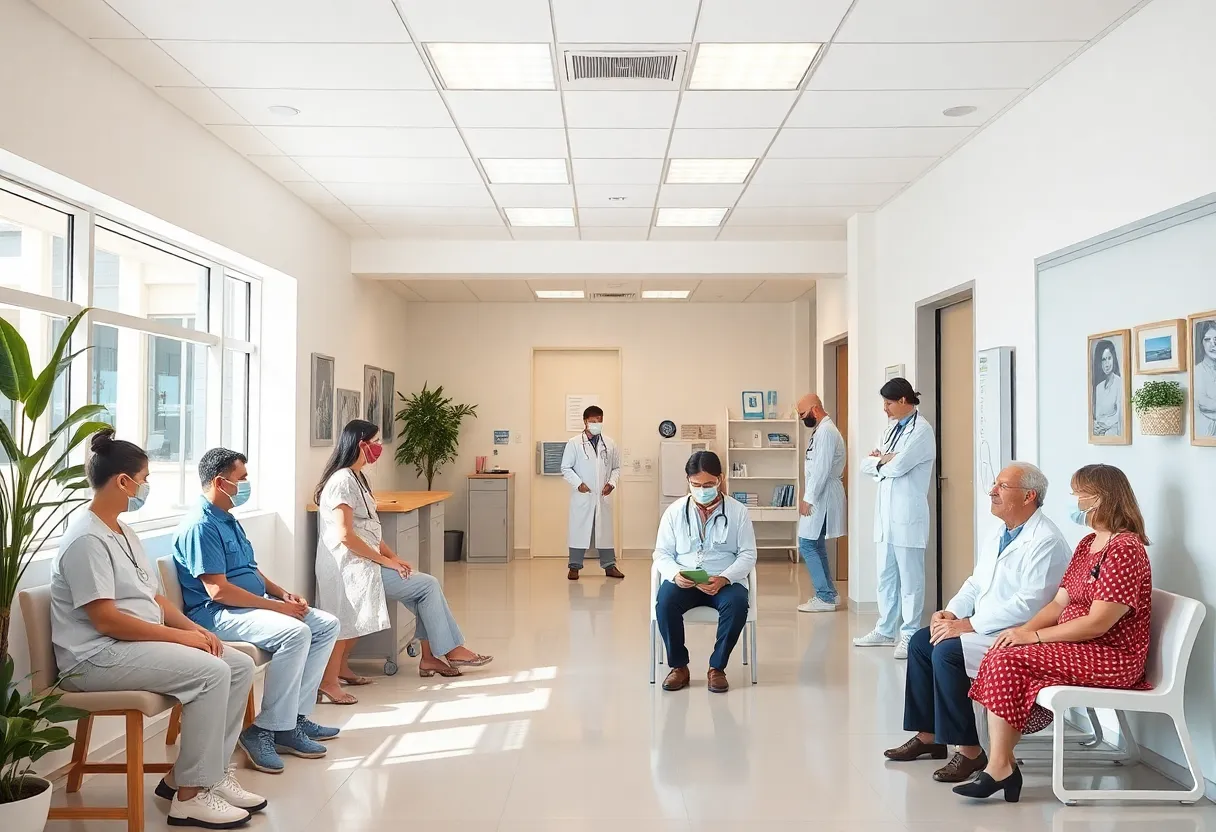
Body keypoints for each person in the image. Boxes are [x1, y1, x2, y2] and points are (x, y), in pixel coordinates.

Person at [50, 430, 264, 829]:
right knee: (212, 670)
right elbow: (107, 620)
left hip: (130, 645)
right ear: (123, 481)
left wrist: (197, 632)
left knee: (234, 663)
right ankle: (190, 796)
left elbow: (156, 599)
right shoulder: (86, 539)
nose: (146, 486)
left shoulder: (122, 530)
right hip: (97, 656)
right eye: (144, 479)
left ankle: (207, 774)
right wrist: (182, 638)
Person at [957, 464, 1153, 803]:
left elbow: (1098, 623)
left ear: (1100, 500)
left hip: (1110, 654)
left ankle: (1000, 767)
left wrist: (1032, 639)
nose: (1073, 502)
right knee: (1003, 649)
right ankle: (1001, 766)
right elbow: (1058, 604)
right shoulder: (1089, 543)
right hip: (1080, 645)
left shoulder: (1125, 549)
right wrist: (1019, 631)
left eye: (1078, 495)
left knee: (1011, 659)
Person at [883, 462, 1070, 784]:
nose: (992, 491)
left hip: (1019, 632)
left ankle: (970, 750)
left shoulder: (1046, 540)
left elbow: (1031, 603)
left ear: (1029, 496)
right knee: (920, 641)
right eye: (995, 484)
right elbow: (975, 582)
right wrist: (952, 613)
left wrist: (969, 625)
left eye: (1001, 486)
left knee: (947, 652)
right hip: (986, 625)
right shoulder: (1000, 531)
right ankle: (929, 736)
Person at [173, 448, 341, 775]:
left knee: (325, 625)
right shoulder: (201, 525)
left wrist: (283, 593)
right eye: (242, 478)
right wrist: (278, 608)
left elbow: (249, 571)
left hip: (246, 608)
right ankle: (264, 730)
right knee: (296, 632)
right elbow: (218, 590)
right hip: (216, 615)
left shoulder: (227, 518)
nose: (247, 484)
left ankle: (293, 720)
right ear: (221, 482)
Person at [314, 420, 491, 702]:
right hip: (350, 566)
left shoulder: (357, 477)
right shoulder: (342, 481)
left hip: (366, 561)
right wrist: (387, 563)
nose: (379, 448)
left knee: (420, 591)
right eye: (375, 442)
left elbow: (368, 528)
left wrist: (393, 556)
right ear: (361, 444)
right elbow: (346, 536)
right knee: (422, 588)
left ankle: (430, 658)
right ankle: (328, 682)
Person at [653, 451, 758, 694]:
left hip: (724, 579)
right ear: (688, 481)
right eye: (696, 485)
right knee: (665, 602)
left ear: (720, 478)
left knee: (738, 604)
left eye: (709, 484)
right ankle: (679, 666)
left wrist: (724, 578)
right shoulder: (674, 512)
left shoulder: (738, 512)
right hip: (686, 579)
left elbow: (748, 554)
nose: (702, 490)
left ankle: (717, 668)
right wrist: (676, 574)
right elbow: (661, 553)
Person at [853, 377, 937, 659]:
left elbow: (899, 466)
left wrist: (883, 462)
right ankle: (886, 629)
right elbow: (866, 464)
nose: (885, 409)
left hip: (907, 517)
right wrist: (881, 460)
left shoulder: (921, 431)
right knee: (885, 576)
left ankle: (910, 633)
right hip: (886, 517)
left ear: (903, 400)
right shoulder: (890, 429)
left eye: (888, 403)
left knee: (911, 579)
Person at [794, 392, 846, 612]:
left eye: (803, 414)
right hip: (821, 492)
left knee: (807, 543)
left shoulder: (826, 432)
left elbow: (822, 470)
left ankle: (824, 596)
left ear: (815, 409)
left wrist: (809, 498)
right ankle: (830, 594)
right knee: (815, 543)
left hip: (822, 494)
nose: (802, 419)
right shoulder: (822, 430)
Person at [561, 405, 624, 581]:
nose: (597, 424)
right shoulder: (574, 443)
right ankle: (574, 567)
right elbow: (565, 467)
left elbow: (616, 468)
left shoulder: (610, 443)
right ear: (585, 421)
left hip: (602, 496)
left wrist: (611, 483)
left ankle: (609, 566)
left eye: (600, 421)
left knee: (604, 531)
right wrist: (578, 484)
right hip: (584, 495)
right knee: (579, 530)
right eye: (593, 421)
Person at [1091, 339, 1124, 437]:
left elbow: (1119, 414)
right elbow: (1097, 415)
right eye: (1103, 360)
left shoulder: (1119, 383)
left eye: (1109, 358)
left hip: (1113, 432)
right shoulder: (1098, 387)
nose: (1107, 364)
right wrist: (1096, 425)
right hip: (1099, 433)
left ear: (1114, 359)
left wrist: (1105, 424)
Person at [1194, 320, 1216, 437]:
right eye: (1207, 339)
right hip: (1207, 432)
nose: (1213, 344)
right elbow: (1204, 403)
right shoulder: (1198, 371)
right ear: (1201, 343)